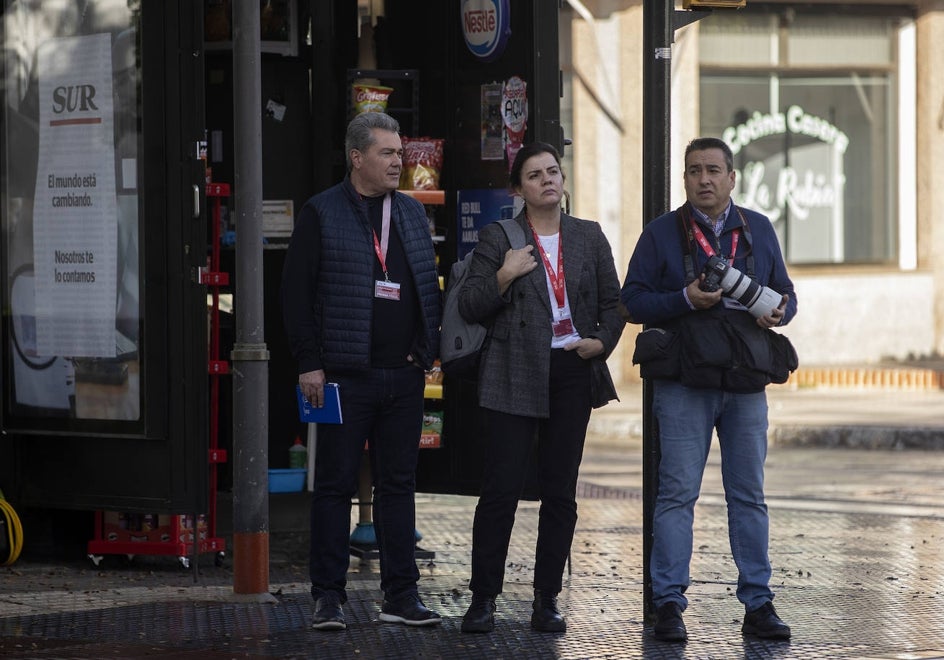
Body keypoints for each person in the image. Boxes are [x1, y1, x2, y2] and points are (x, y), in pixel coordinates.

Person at [621, 137, 797, 642]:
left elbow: (787, 292)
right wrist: (684, 298)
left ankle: (758, 604)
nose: (705, 179)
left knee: (750, 496)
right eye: (695, 170)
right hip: (684, 382)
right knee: (677, 494)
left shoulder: (758, 229)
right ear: (684, 179)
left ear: (732, 177)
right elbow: (630, 301)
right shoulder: (660, 234)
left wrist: (781, 310)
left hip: (744, 381)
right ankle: (670, 604)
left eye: (714, 170)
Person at [281, 112, 442, 631]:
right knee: (333, 486)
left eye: (400, 153)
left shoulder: (413, 215)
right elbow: (295, 295)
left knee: (399, 486)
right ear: (357, 157)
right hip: (343, 379)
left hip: (403, 376)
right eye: (387, 153)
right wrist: (309, 362)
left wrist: (427, 350)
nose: (399, 161)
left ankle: (401, 595)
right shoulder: (322, 212)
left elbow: (426, 286)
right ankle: (328, 597)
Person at [457, 142, 625, 634]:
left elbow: (615, 303)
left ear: (563, 179)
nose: (547, 180)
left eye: (553, 171)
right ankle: (483, 598)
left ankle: (547, 599)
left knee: (561, 493)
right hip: (513, 370)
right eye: (534, 175)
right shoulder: (499, 237)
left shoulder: (589, 236)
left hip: (572, 368)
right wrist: (505, 276)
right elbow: (470, 305)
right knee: (501, 489)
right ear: (519, 188)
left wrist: (601, 342)